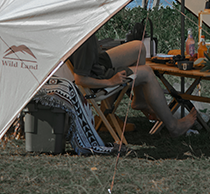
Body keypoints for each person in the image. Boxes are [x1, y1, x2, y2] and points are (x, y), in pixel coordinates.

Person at [69, 34, 198, 138]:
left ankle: (140, 99)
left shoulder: (84, 32)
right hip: (98, 77)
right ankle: (174, 127)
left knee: (138, 47)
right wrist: (111, 82)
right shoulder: (83, 40)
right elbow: (80, 79)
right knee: (147, 72)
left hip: (96, 64)